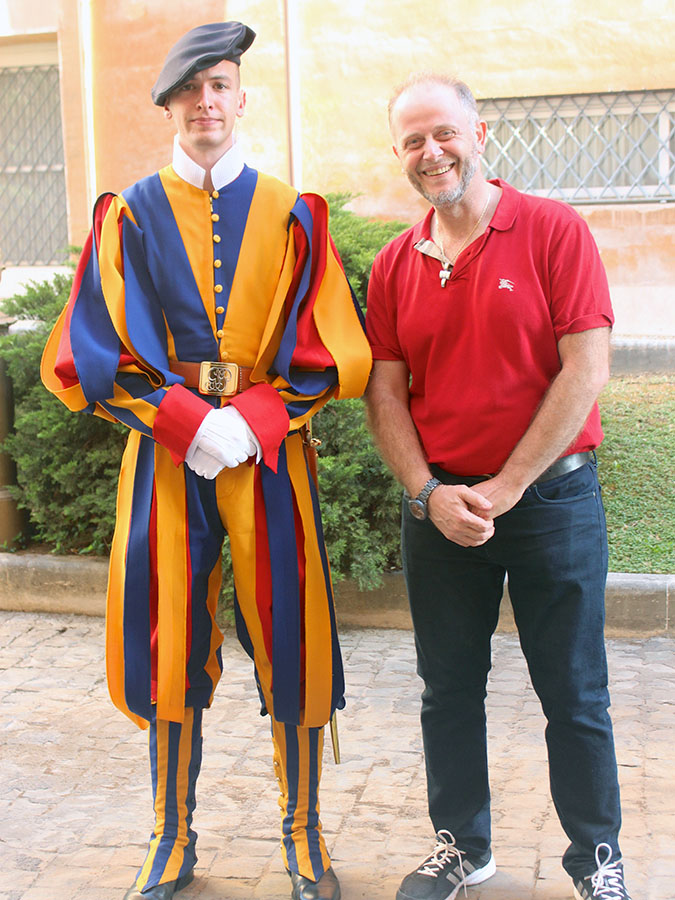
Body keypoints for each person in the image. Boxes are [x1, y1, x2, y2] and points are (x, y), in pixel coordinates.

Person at [42, 22, 371, 900]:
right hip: (165, 458)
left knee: (291, 635)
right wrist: (187, 422)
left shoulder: (291, 214)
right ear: (168, 107)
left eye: (219, 85)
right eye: (189, 91)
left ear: (240, 97)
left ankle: (303, 839)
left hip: (268, 458)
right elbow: (95, 353)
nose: (206, 103)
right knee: (166, 640)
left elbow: (324, 349)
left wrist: (256, 416)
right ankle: (169, 838)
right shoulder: (130, 216)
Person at [364, 73, 632, 900]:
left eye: (442, 133)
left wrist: (510, 485)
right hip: (441, 513)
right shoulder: (392, 263)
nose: (429, 152)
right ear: (400, 154)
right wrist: (425, 493)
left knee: (573, 693)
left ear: (478, 133)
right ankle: (462, 848)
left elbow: (584, 367)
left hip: (549, 502)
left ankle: (595, 859)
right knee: (447, 690)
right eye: (411, 140)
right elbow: (384, 390)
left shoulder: (550, 230)